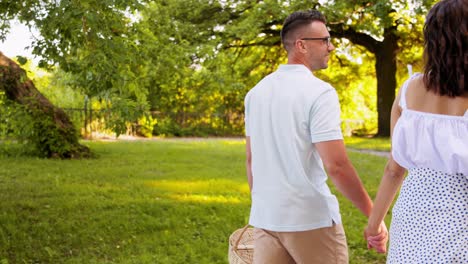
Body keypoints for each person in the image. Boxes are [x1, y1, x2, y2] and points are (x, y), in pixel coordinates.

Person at [244, 10, 386, 264]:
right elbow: (337, 166)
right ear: (301, 45)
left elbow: (251, 160)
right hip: (310, 221)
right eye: (324, 40)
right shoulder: (320, 93)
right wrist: (374, 215)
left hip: (266, 219)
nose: (331, 47)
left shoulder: (256, 93)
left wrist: (266, 208)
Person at [365, 0, 468, 262]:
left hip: (412, 209)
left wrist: (375, 224)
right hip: (459, 216)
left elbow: (394, 169)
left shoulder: (408, 91)